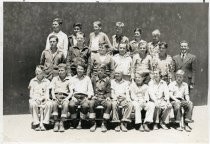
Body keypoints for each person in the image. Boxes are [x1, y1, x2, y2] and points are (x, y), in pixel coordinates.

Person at [69, 63, 94, 129]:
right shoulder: (73, 78)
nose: (79, 70)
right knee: (71, 105)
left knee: (85, 106)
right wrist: (72, 97)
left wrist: (88, 97)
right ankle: (74, 121)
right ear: (76, 70)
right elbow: (71, 90)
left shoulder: (87, 78)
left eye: (81, 69)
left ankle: (81, 121)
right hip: (75, 97)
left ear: (84, 70)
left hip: (84, 97)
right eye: (78, 69)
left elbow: (90, 90)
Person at [28, 65, 52, 131]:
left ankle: (44, 123)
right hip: (35, 98)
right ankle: (36, 123)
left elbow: (47, 93)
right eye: (36, 71)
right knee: (33, 104)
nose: (37, 72)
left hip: (44, 98)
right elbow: (31, 94)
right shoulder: (32, 81)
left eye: (39, 71)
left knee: (49, 104)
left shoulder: (47, 81)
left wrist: (45, 98)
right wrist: (35, 98)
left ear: (43, 72)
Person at [89, 66, 112, 132]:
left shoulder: (107, 79)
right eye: (99, 70)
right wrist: (92, 96)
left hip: (103, 97)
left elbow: (108, 91)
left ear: (104, 71)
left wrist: (107, 96)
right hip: (95, 97)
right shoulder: (93, 79)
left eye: (102, 70)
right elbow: (90, 89)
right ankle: (93, 123)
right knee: (91, 103)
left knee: (109, 104)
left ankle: (104, 123)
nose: (100, 71)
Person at [51, 64, 73, 132]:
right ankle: (56, 122)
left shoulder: (69, 79)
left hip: (65, 96)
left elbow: (71, 91)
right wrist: (54, 97)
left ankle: (62, 123)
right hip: (56, 95)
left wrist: (67, 98)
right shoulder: (55, 79)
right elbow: (52, 89)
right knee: (54, 104)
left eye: (62, 70)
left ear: (66, 71)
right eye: (59, 70)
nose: (60, 72)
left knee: (66, 105)